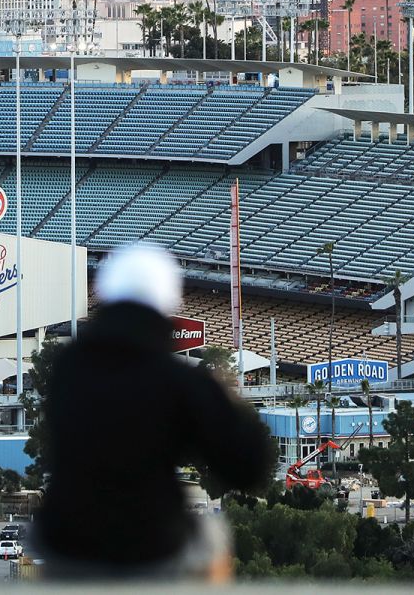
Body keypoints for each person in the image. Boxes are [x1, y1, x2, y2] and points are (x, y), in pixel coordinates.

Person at [35, 244, 275, 580]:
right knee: (212, 537)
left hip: (65, 545)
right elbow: (247, 469)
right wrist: (226, 402)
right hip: (148, 548)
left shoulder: (66, 369)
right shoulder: (177, 380)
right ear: (167, 301)